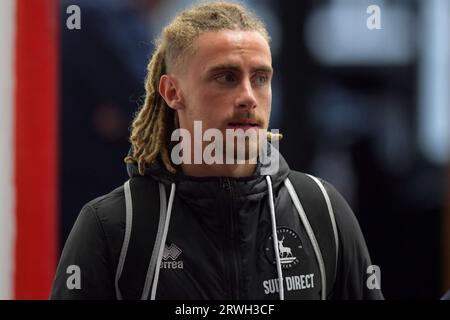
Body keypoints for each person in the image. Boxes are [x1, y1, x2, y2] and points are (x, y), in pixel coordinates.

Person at [50, 1, 384, 300]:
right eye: (226, 77)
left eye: (260, 78)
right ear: (172, 92)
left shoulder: (321, 211)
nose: (248, 97)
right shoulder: (114, 226)